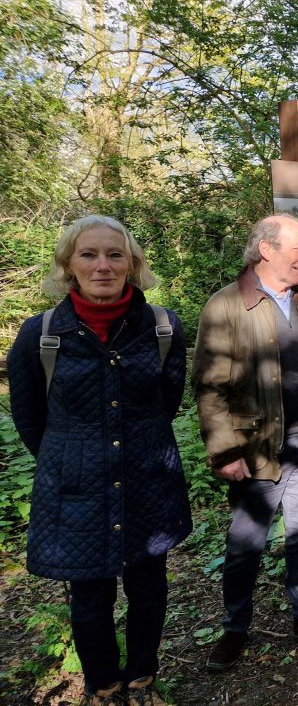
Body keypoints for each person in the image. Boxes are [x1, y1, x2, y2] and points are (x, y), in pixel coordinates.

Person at [8, 215, 191, 706]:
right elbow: (31, 420)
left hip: (147, 482)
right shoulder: (39, 335)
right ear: (68, 263)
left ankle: (141, 680)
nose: (103, 265)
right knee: (89, 598)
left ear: (132, 263)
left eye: (115, 254)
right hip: (78, 490)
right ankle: (103, 686)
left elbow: (164, 404)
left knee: (149, 589)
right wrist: (76, 459)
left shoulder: (163, 328)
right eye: (89, 254)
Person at [193, 215, 298, 672]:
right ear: (266, 250)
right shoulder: (227, 306)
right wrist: (224, 451)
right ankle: (235, 629)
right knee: (246, 546)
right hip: (256, 452)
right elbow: (209, 387)